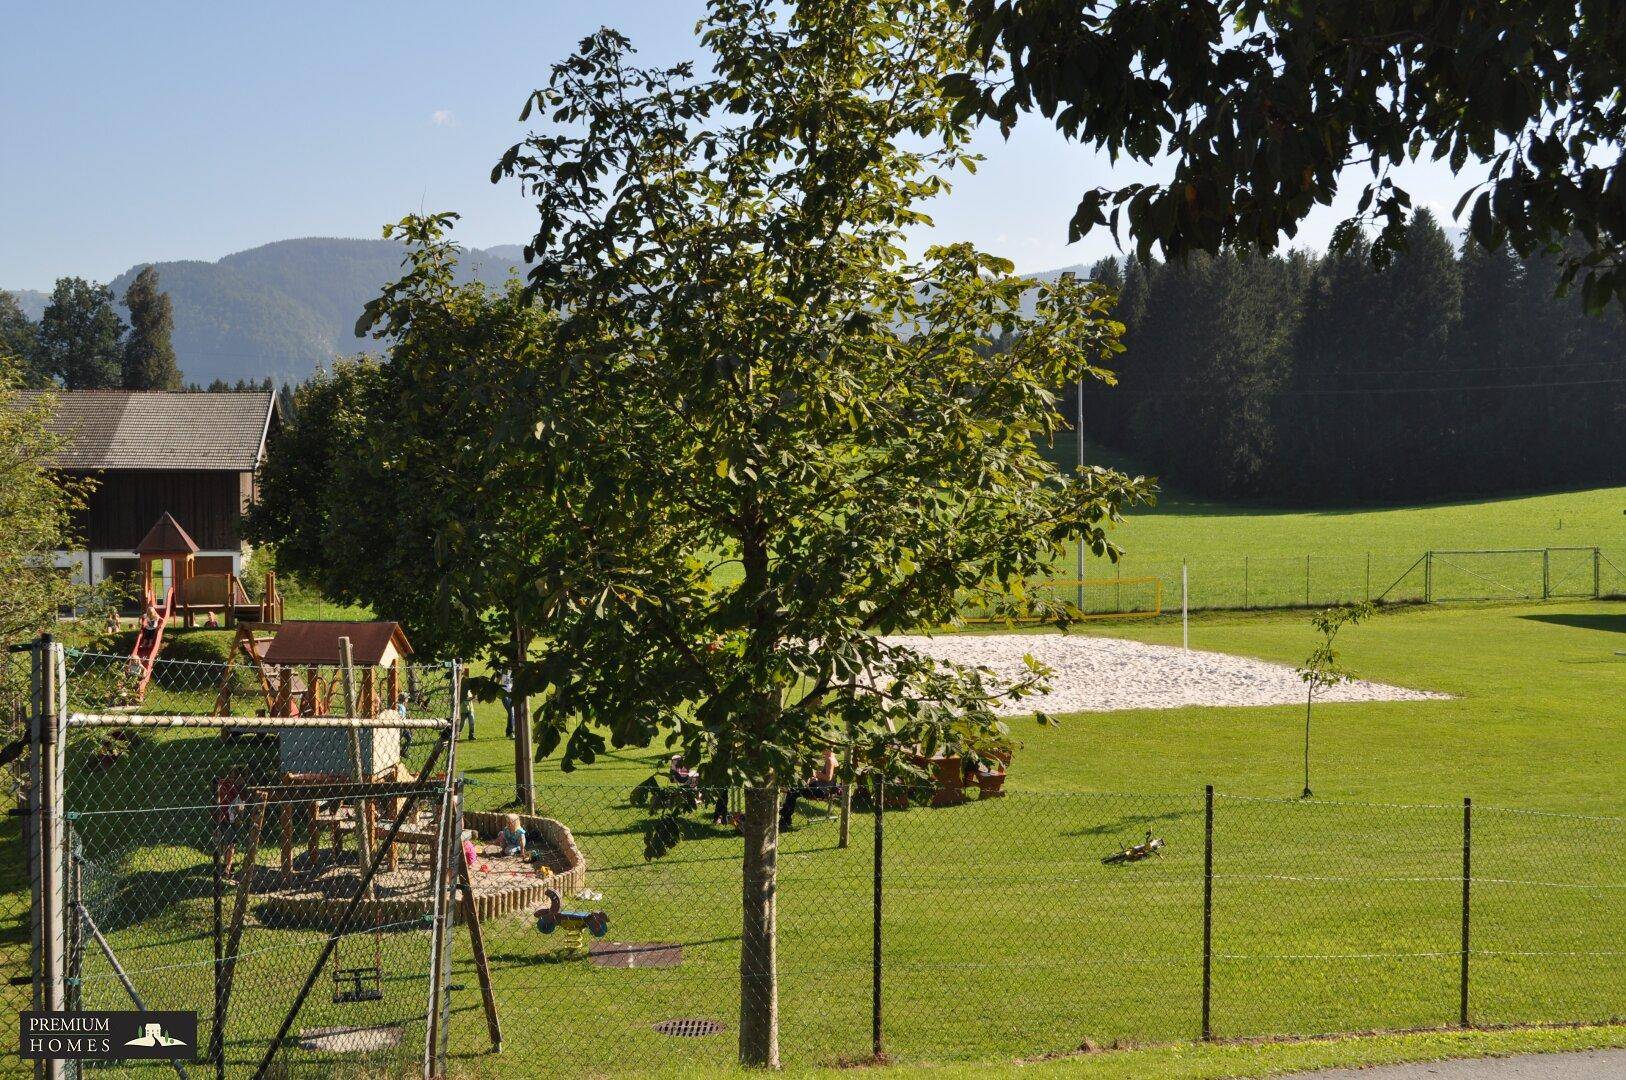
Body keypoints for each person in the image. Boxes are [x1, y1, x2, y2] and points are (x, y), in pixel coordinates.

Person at [779, 747, 839, 832]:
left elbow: (828, 778)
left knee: (792, 791)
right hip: (823, 789)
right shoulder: (833, 759)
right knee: (795, 789)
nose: (822, 751)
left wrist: (814, 773)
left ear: (827, 749)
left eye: (823, 748)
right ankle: (785, 816)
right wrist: (815, 778)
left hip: (821, 791)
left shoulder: (830, 759)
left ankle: (785, 819)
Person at [214, 766, 250, 880]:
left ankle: (226, 865)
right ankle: (227, 868)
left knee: (229, 842)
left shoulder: (233, 785)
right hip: (225, 816)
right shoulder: (227, 784)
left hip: (229, 817)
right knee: (229, 842)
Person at [499, 669, 514, 738]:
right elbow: (496, 681)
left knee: (512, 713)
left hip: (511, 694)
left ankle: (508, 732)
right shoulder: (502, 670)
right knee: (511, 712)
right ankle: (511, 732)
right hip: (504, 694)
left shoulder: (514, 671)